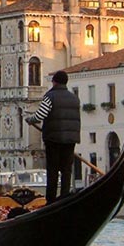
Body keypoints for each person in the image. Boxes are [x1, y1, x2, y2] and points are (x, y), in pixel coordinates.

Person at [26, 70, 81, 204]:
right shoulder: (74, 98)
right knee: (66, 170)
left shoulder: (50, 96)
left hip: (53, 138)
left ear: (54, 82)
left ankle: (51, 200)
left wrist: (30, 119)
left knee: (53, 170)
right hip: (70, 139)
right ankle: (65, 197)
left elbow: (40, 115)